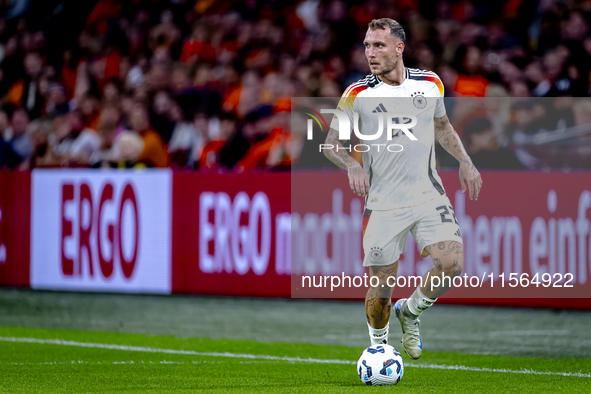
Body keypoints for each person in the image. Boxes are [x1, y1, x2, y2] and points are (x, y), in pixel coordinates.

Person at [323, 18, 483, 360]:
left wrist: (465, 160)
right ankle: (379, 347)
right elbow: (330, 144)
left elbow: (442, 128)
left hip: (428, 194)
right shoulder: (358, 93)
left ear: (399, 48)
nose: (370, 52)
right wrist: (352, 164)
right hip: (383, 202)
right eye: (366, 45)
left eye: (378, 45)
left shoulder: (429, 83)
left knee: (452, 263)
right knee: (381, 290)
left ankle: (410, 312)